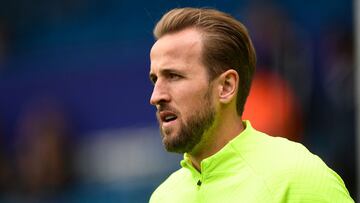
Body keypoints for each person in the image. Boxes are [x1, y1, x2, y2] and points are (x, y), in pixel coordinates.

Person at [148, 7, 354, 203]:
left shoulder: (297, 176)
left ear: (226, 86)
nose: (156, 96)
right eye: (155, 80)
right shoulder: (163, 196)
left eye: (174, 76)